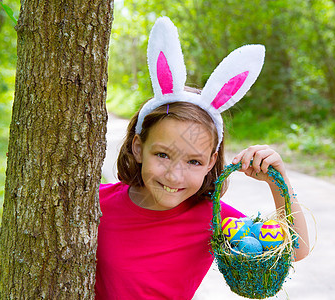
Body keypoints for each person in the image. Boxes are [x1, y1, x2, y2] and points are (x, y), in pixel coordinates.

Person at [95, 17, 309, 300]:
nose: (174, 175)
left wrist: (277, 181)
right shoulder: (96, 203)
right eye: (162, 154)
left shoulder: (212, 217)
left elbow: (295, 250)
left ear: (211, 162)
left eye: (193, 162)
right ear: (138, 147)